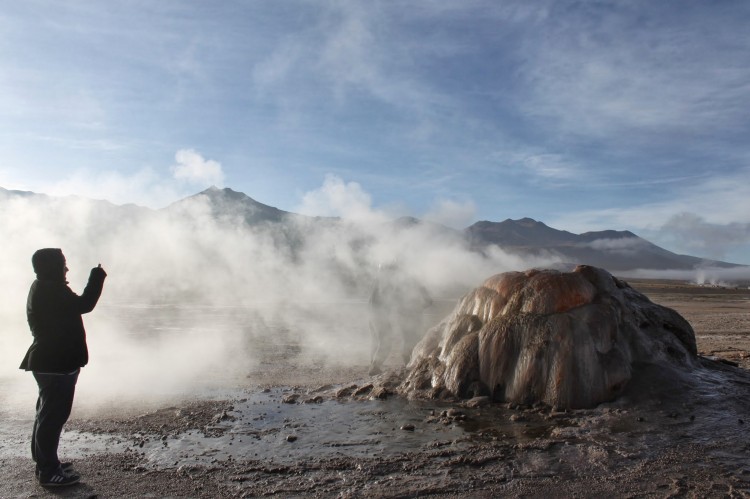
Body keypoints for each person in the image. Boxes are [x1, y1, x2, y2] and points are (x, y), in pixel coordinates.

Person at [19, 248, 107, 487]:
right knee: (52, 418)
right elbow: (85, 304)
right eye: (63, 264)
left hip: (50, 362)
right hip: (56, 364)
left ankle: (46, 464)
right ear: (52, 266)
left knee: (46, 415)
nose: (66, 268)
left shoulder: (43, 287)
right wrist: (97, 277)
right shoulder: (51, 289)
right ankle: (49, 472)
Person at [368, 261, 432, 375]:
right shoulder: (388, 282)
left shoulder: (381, 281)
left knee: (379, 340)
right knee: (388, 341)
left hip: (377, 313)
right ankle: (375, 367)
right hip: (383, 313)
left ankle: (375, 365)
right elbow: (427, 300)